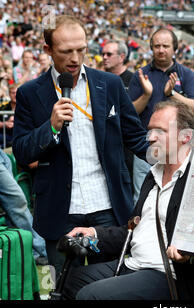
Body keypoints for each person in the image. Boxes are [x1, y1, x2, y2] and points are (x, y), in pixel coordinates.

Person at [12, 15, 149, 278]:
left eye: (81, 49)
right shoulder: (30, 93)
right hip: (59, 213)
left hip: (108, 209)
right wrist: (50, 127)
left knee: (111, 289)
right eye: (66, 51)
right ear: (48, 50)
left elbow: (136, 137)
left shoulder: (109, 84)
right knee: (62, 289)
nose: (75, 58)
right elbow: (21, 152)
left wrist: (171, 155)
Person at [62, 100, 194, 300]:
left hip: (170, 274)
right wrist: (94, 232)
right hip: (134, 264)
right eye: (150, 130)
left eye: (160, 131)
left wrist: (191, 251)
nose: (150, 137)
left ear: (186, 137)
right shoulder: (153, 175)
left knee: (91, 295)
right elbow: (135, 231)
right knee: (71, 281)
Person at [128, 27, 194, 205]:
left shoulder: (186, 73)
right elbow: (130, 112)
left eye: (166, 46)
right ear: (151, 47)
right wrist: (146, 95)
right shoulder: (140, 74)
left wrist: (172, 94)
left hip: (178, 146)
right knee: (142, 197)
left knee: (177, 195)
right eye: (157, 46)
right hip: (147, 145)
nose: (161, 50)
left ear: (174, 48)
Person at [0, 148, 48, 265]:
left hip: (2, 154)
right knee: (16, 201)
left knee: (12, 207)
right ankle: (39, 251)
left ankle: (20, 250)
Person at [102, 40, 135, 197]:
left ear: (122, 57)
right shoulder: (99, 79)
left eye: (109, 54)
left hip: (126, 142)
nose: (104, 57)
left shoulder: (134, 80)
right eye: (103, 54)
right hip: (105, 140)